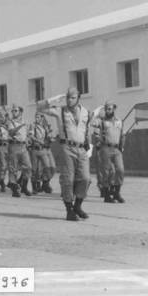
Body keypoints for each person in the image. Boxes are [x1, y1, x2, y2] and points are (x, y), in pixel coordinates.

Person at [37, 87, 91, 221]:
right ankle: (69, 210)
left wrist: (88, 146)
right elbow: (39, 107)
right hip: (67, 148)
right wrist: (55, 99)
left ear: (78, 98)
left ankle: (78, 206)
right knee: (68, 179)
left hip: (82, 149)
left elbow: (87, 129)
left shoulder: (86, 112)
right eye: (68, 98)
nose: (69, 100)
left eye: (72, 98)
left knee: (85, 178)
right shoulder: (60, 111)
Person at [95, 101, 125, 203]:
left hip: (117, 149)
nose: (108, 111)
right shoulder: (101, 121)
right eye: (106, 109)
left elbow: (122, 134)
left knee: (120, 170)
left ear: (114, 109)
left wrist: (122, 146)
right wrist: (97, 110)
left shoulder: (119, 121)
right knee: (106, 172)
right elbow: (92, 124)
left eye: (110, 109)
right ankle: (107, 195)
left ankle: (116, 193)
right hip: (106, 148)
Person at [6, 105, 32, 197]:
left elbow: (27, 133)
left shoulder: (25, 121)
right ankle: (14, 189)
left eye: (15, 111)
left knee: (28, 167)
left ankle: (24, 186)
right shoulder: (11, 122)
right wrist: (20, 126)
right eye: (12, 111)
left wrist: (28, 139)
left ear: (20, 112)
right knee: (13, 168)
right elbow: (11, 132)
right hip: (14, 145)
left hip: (23, 146)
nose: (13, 112)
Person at [28, 113, 55, 194]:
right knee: (34, 169)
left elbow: (49, 136)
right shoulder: (33, 126)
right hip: (35, 149)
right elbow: (31, 136)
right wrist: (39, 141)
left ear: (42, 118)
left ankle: (45, 183)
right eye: (36, 117)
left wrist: (51, 138)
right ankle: (34, 187)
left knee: (48, 167)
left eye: (38, 117)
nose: (36, 118)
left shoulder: (45, 127)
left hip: (43, 149)